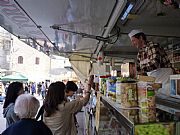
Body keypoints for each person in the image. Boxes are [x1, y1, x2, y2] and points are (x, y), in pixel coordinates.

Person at [128, 29, 174, 95]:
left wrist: (138, 69)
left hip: (165, 82)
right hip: (154, 84)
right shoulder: (140, 54)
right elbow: (141, 72)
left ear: (141, 38)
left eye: (133, 40)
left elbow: (155, 64)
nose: (133, 44)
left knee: (167, 99)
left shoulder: (153, 46)